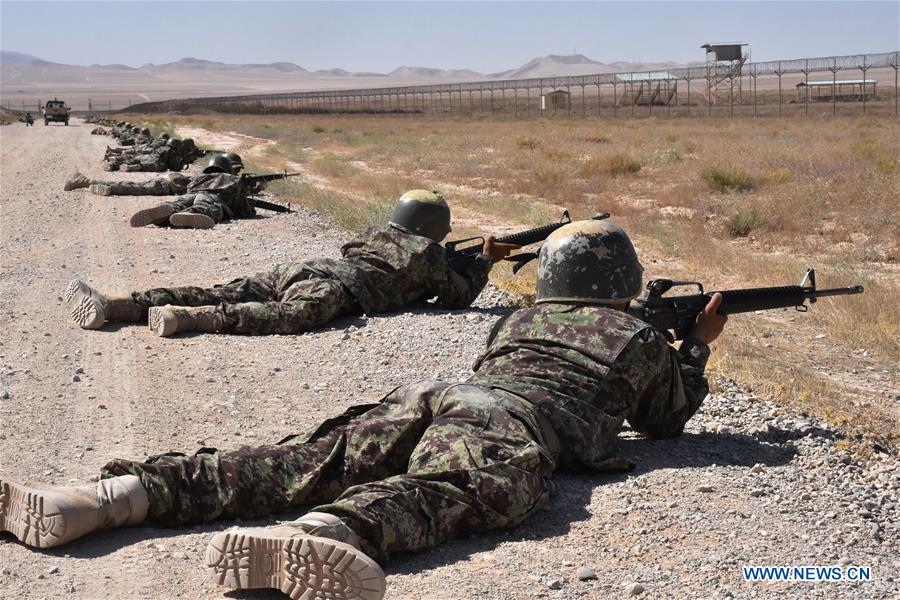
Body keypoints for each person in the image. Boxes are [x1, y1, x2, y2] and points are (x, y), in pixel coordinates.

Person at [0, 219, 726, 600]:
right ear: (623, 280)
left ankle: (112, 496)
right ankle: (332, 530)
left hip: (431, 395)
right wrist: (695, 347)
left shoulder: (515, 321)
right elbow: (666, 420)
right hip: (508, 423)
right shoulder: (636, 337)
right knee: (459, 488)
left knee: (299, 459)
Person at [64, 189, 516, 336]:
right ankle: (191, 320)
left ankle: (120, 304)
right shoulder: (429, 254)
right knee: (286, 316)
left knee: (227, 286)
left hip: (305, 267)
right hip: (335, 289)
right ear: (438, 227)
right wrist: (483, 262)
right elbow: (457, 299)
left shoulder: (376, 234)